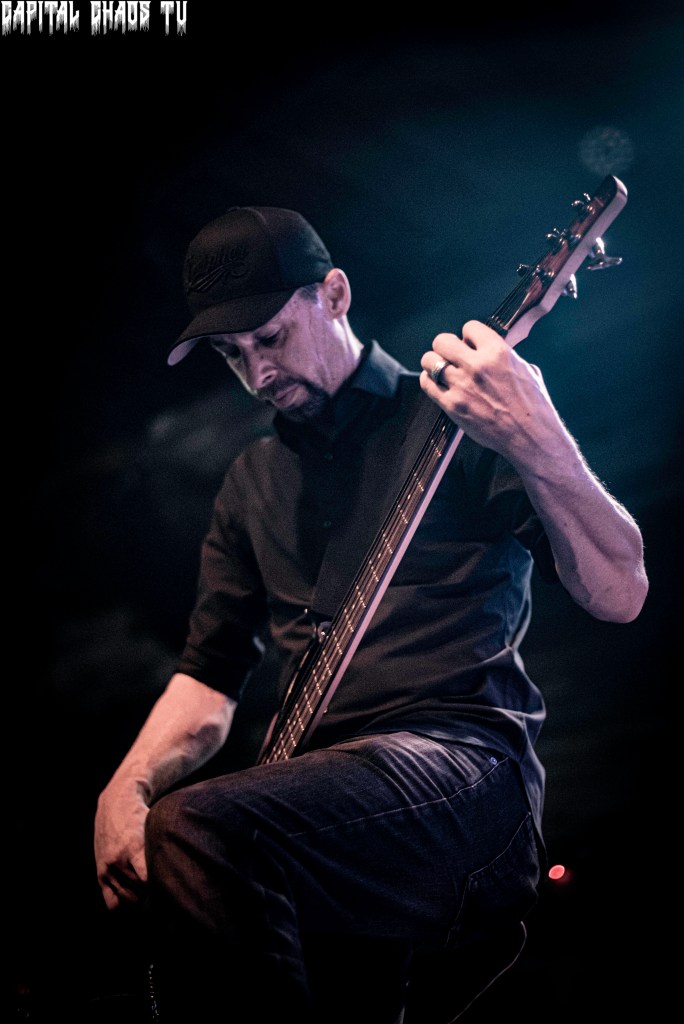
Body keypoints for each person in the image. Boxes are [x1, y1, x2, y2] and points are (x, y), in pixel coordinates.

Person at [93, 205, 648, 1023]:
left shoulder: (456, 417)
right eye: (232, 355)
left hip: (465, 776)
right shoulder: (249, 485)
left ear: (335, 294)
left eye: (270, 337)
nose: (258, 372)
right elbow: (208, 678)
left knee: (198, 826)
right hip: (327, 820)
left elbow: (621, 593)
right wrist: (124, 785)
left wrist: (538, 439)